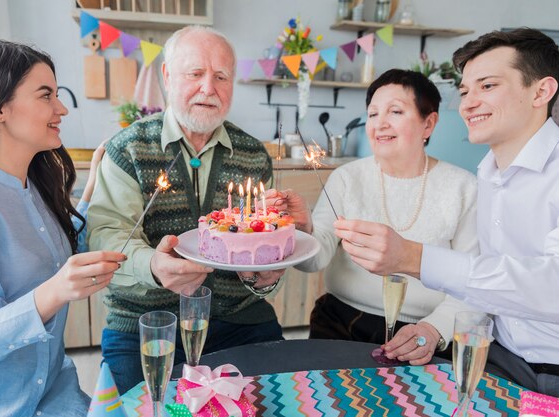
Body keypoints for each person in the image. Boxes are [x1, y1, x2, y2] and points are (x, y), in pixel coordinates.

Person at [335, 28, 559, 396]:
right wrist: (433, 330)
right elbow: (484, 278)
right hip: (495, 358)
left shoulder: (468, 183)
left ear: (541, 91)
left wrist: (413, 257)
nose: (468, 103)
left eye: (487, 86)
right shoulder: (489, 173)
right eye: (465, 91)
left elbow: (551, 287)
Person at [0, 39, 127, 417]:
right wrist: (52, 293)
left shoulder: (34, 182)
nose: (62, 109)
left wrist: (92, 189)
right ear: (0, 107)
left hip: (52, 393)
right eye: (45, 96)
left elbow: (55, 251)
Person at [87, 26, 284, 393]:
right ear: (166, 76)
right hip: (146, 322)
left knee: (277, 402)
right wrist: (154, 266)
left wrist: (263, 275)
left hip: (240, 320)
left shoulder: (253, 155)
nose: (209, 88)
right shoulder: (128, 149)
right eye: (195, 74)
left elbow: (262, 242)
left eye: (221, 77)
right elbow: (105, 235)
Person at [268, 69, 478, 365]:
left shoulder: (464, 188)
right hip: (340, 323)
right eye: (373, 113)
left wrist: (433, 330)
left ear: (428, 123)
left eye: (395, 111)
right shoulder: (346, 177)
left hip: (424, 333)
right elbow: (315, 259)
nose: (380, 124)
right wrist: (302, 230)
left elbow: (476, 285)